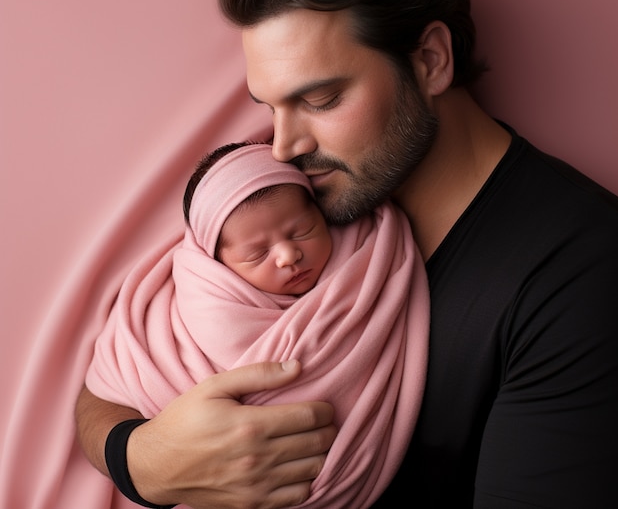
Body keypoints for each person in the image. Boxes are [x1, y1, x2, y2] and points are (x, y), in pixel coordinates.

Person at [75, 0, 618, 508]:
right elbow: (113, 378)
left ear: (431, 60)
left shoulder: (584, 275)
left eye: (321, 98)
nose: (285, 145)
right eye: (269, 106)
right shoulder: (299, 211)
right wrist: (141, 458)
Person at [83, 141, 429, 508]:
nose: (288, 255)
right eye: (257, 253)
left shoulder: (369, 259)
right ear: (217, 263)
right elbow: (113, 383)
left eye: (302, 231)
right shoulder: (191, 306)